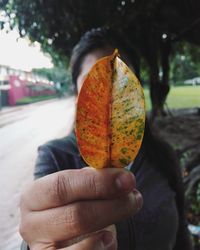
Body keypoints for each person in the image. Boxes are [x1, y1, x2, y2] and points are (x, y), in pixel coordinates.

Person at [20, 28, 192, 250]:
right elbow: (41, 231)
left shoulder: (162, 156)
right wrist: (31, 244)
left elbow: (181, 236)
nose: (109, 96)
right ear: (77, 97)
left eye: (119, 80)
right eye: (94, 82)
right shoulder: (55, 157)